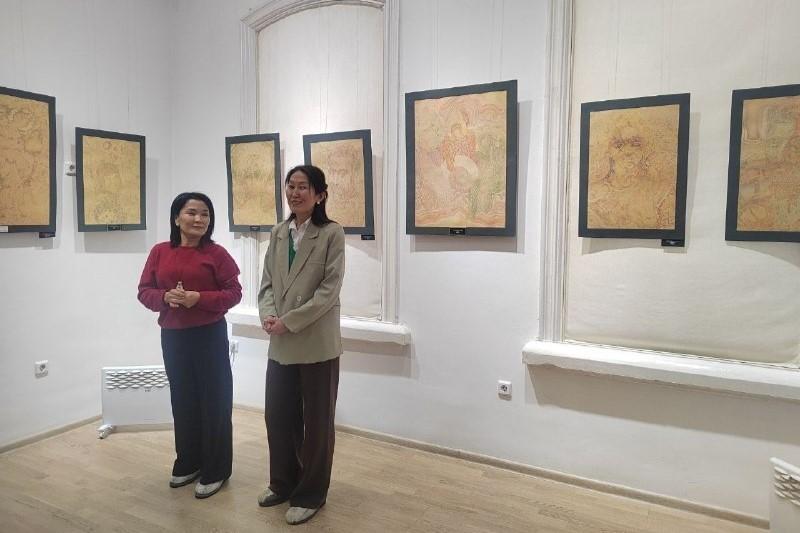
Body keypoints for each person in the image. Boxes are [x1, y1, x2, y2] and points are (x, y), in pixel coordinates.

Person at [137, 192, 242, 499]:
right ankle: (189, 461)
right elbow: (144, 291)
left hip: (209, 335)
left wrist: (200, 298)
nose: (199, 219)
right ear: (176, 218)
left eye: (205, 214)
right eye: (192, 212)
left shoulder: (217, 253)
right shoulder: (160, 251)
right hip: (173, 336)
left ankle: (216, 469)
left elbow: (234, 293)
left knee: (214, 401)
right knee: (183, 400)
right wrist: (164, 297)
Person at [256, 165, 345, 525]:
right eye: (290, 186)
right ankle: (283, 482)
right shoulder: (278, 232)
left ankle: (311, 494)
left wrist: (288, 321)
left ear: (320, 194)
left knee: (317, 424)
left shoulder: (332, 233)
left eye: (303, 187)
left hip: (316, 343)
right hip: (281, 342)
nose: (295, 193)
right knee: (278, 417)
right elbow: (266, 283)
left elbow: (329, 291)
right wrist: (268, 314)